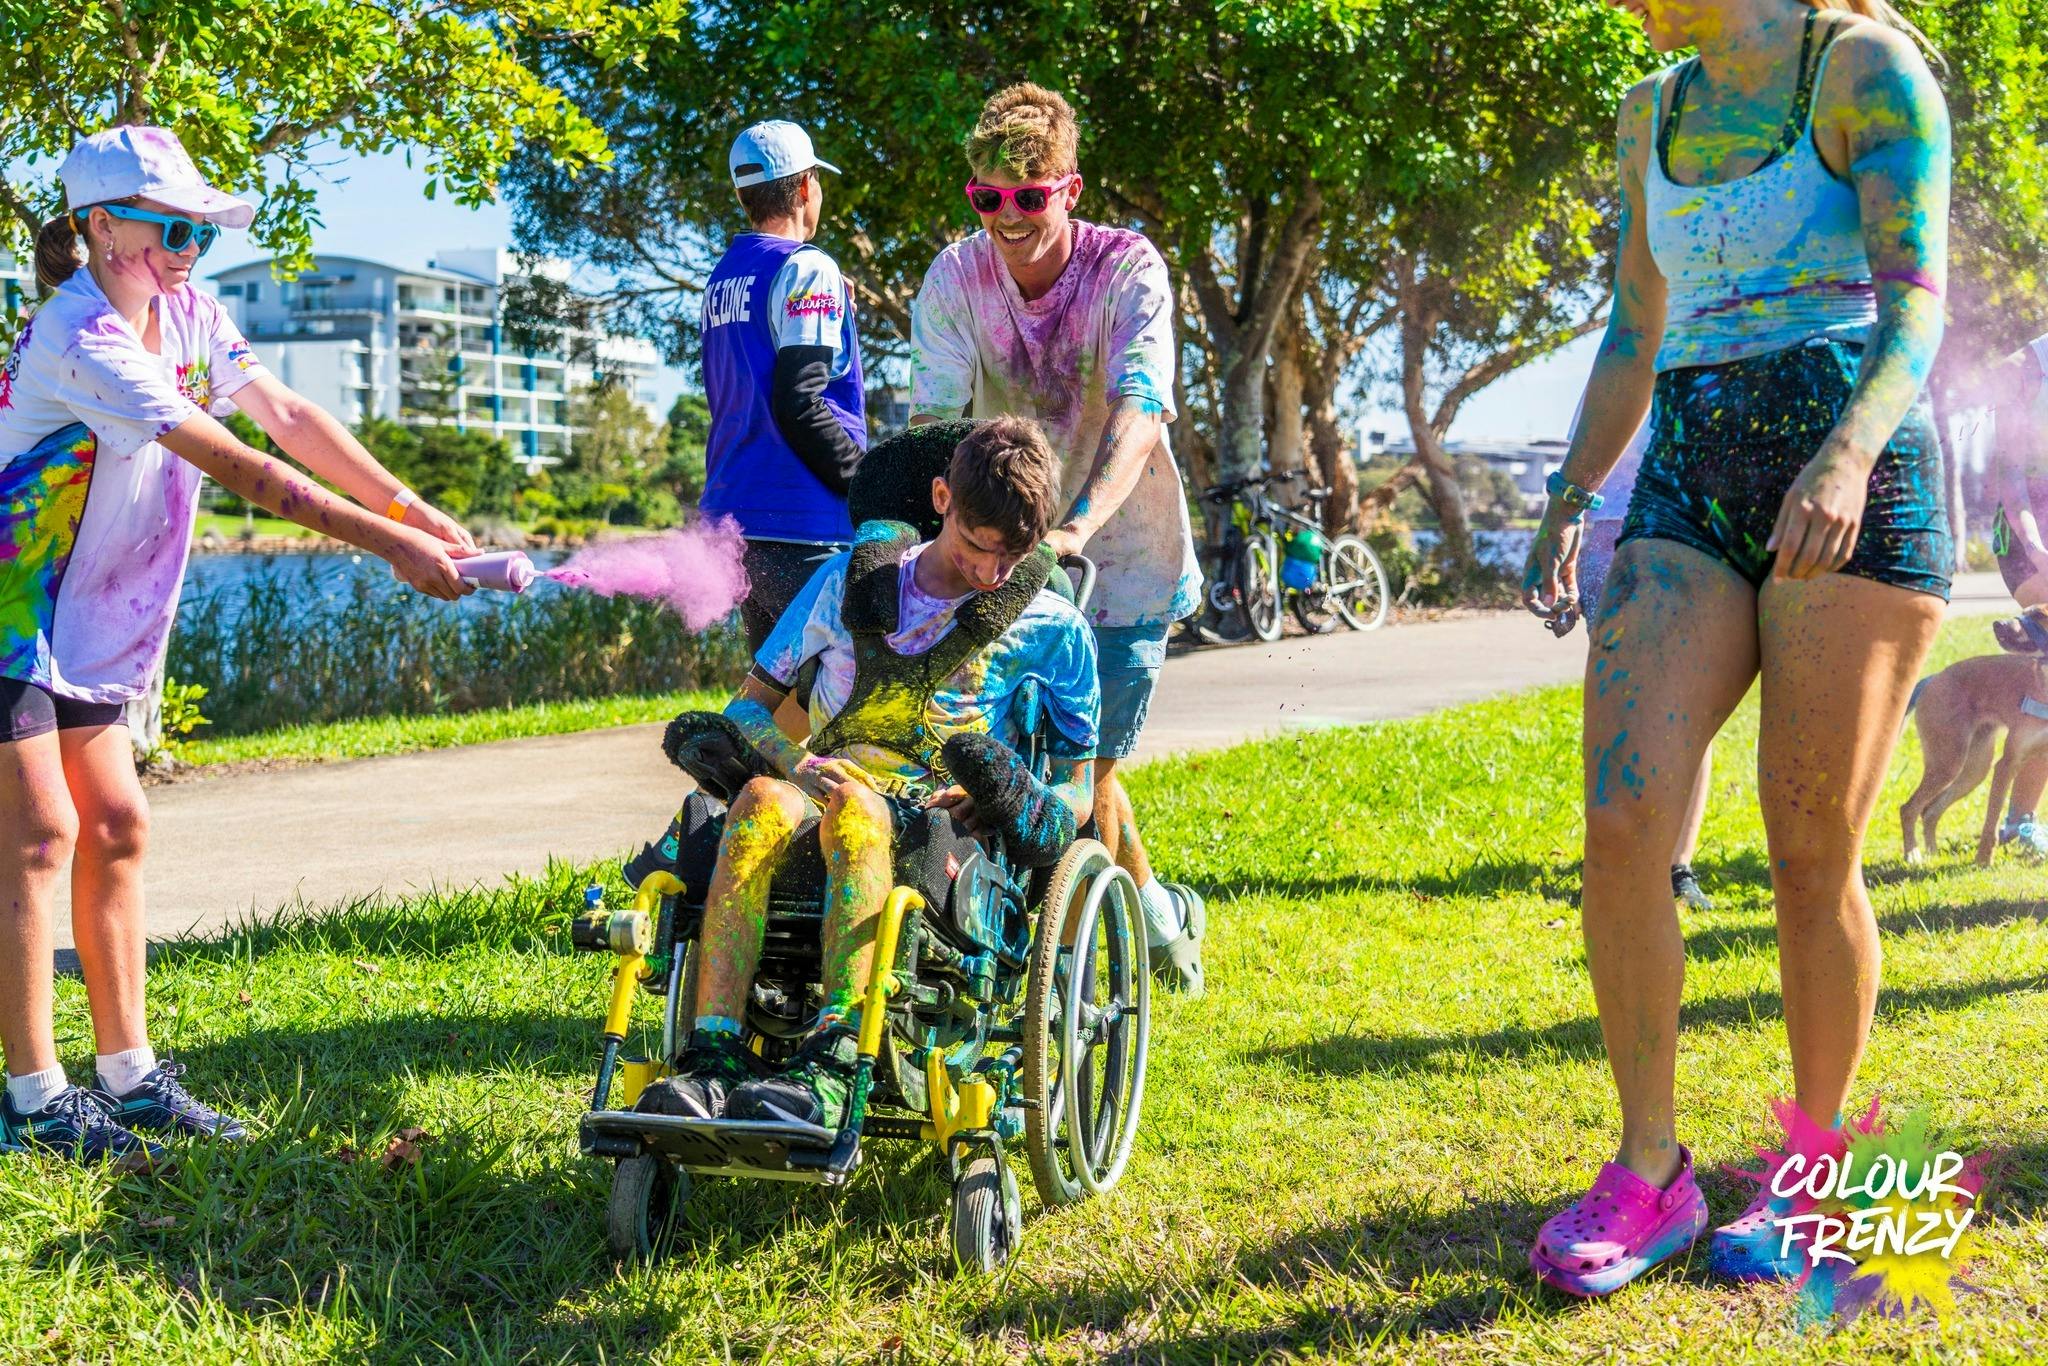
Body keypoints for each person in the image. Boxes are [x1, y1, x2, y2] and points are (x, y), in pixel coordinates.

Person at [1520, 0, 1952, 1296]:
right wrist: (1566, 495)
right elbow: (1633, 331)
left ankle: (1815, 1177)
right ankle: (1649, 1171)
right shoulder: (1648, 110)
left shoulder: (1862, 71)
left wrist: (1848, 452)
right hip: (1693, 475)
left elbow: (1916, 307)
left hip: (1851, 470)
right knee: (1624, 812)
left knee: (1809, 843)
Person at [1, 126, 475, 1166]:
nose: (186, 250)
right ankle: (32, 1097)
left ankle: (130, 1081)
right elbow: (244, 467)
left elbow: (287, 416)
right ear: (99, 227)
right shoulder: (79, 334)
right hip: (9, 601)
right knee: (42, 831)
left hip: (81, 618)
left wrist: (410, 504)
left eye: (199, 233)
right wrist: (389, 544)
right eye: (169, 228)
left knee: (117, 823)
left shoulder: (190, 315)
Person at [641, 417, 1100, 1127]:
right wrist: (797, 761)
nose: (992, 574)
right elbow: (748, 709)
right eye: (980, 547)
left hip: (935, 826)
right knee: (760, 795)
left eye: (1016, 556)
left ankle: (834, 1059)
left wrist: (1014, 798)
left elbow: (1078, 789)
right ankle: (713, 1055)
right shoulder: (840, 585)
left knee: (858, 812)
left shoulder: (1053, 626)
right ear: (942, 497)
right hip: (820, 787)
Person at [907, 83, 1208, 995]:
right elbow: (934, 425)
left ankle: (1137, 931)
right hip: (1008, 551)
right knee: (1014, 767)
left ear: (1068, 189)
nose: (1008, 216)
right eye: (988, 197)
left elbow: (1142, 407)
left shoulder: (1126, 270)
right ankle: (1148, 917)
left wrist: (1075, 527)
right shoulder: (957, 278)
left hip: (1123, 552)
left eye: (1029, 196)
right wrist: (913, 544)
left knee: (1092, 769)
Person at [699, 119, 867, 654]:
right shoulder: (807, 268)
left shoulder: (724, 275)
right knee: (842, 707)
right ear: (803, 187)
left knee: (780, 707)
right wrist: (868, 483)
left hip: (738, 524)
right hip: (805, 523)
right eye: (817, 181)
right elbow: (798, 401)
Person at [1564, 412, 1716, 910]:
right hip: (1605, 534)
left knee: (1692, 707)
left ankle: (1676, 865)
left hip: (1689, 527)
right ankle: (1616, 856)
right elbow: (1585, 451)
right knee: (1619, 701)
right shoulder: (1620, 345)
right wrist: (1565, 537)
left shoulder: (1719, 338)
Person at [1978, 335, 2048, 856]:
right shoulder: (2020, 370)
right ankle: (2020, 822)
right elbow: (2010, 481)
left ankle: (2019, 821)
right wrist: (2037, 544)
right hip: (2027, 540)